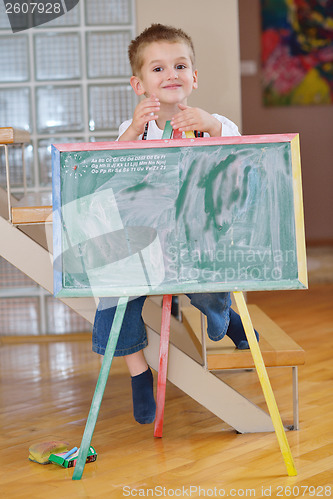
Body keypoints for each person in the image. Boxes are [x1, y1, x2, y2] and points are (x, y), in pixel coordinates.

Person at [92, 23, 259, 425]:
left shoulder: (212, 123)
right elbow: (109, 176)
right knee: (112, 298)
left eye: (180, 66)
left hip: (197, 243)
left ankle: (224, 317)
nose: (171, 75)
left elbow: (244, 162)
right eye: (158, 69)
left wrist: (214, 129)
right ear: (139, 85)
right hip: (146, 244)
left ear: (194, 77)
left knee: (206, 295)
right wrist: (132, 131)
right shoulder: (133, 130)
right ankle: (139, 374)